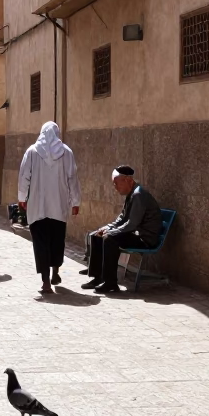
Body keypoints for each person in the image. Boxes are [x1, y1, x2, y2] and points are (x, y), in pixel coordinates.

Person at [18, 122, 81, 294]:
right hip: (58, 206)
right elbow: (72, 178)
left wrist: (22, 198)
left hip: (37, 207)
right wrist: (75, 201)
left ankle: (46, 282)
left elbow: (24, 176)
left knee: (41, 243)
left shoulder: (32, 151)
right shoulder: (66, 152)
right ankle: (55, 271)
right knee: (56, 240)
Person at [81, 165, 162, 294]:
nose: (115, 188)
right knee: (97, 235)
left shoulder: (138, 195)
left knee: (110, 240)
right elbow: (122, 218)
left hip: (144, 238)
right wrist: (106, 228)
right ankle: (98, 277)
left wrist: (110, 232)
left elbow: (132, 224)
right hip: (136, 234)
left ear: (128, 180)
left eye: (117, 184)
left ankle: (111, 283)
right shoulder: (132, 194)